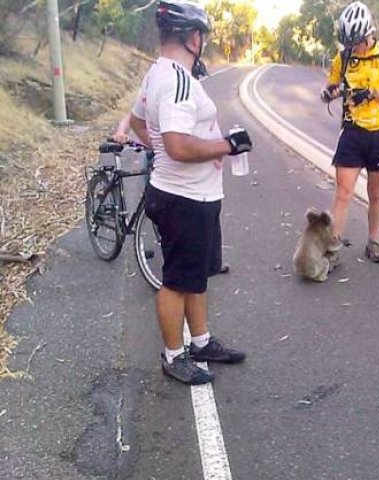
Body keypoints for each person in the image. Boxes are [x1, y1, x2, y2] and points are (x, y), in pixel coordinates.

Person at [129, 0, 252, 385]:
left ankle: (199, 342)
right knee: (178, 281)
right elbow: (179, 145)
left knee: (195, 276)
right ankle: (173, 355)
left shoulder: (157, 74)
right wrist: (227, 146)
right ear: (192, 37)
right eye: (202, 35)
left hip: (190, 194)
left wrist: (163, 152)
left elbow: (137, 121)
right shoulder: (179, 81)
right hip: (185, 199)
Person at [321, 1, 379, 263]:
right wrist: (329, 94)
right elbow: (330, 88)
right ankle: (332, 249)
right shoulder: (344, 58)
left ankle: (374, 241)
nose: (352, 49)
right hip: (352, 132)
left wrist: (371, 93)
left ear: (368, 34)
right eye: (348, 45)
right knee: (343, 192)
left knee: (376, 193)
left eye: (356, 43)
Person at [112, 110, 229, 276]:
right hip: (159, 157)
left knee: (201, 213)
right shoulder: (161, 91)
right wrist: (120, 132)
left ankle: (206, 260)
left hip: (185, 164)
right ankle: (177, 267)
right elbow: (133, 115)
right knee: (165, 210)